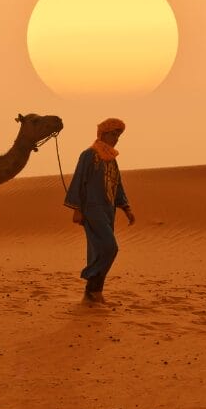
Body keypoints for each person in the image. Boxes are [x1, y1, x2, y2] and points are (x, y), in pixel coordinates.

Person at [64, 118, 136, 304]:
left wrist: (126, 208)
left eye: (119, 135)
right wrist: (77, 209)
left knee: (98, 250)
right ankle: (90, 280)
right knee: (110, 248)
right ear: (103, 134)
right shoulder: (88, 155)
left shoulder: (111, 159)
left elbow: (117, 184)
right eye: (113, 134)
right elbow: (79, 181)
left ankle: (94, 293)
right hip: (92, 209)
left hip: (108, 210)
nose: (117, 138)